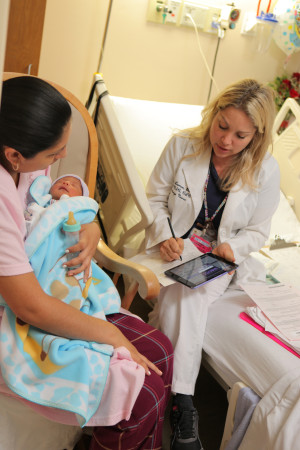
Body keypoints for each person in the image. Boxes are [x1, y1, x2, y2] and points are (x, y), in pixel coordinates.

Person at [0, 75, 173, 450]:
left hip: (53, 287)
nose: (61, 158)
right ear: (13, 154)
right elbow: (28, 305)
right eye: (53, 154)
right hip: (22, 311)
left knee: (162, 351)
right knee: (145, 395)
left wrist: (90, 223)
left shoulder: (24, 163)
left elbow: (54, 201)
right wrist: (112, 336)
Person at [145, 79, 280, 450]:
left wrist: (232, 249)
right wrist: (164, 234)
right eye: (222, 127)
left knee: (185, 294)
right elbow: (154, 199)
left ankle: (174, 398)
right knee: (181, 294)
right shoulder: (182, 146)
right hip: (170, 247)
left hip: (216, 257)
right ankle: (182, 403)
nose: (226, 141)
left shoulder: (265, 170)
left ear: (257, 134)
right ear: (213, 115)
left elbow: (258, 231)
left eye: (240, 135)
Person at [24, 173, 89, 235]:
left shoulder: (74, 212)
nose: (66, 182)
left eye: (74, 185)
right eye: (60, 181)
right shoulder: (42, 200)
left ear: (80, 198)